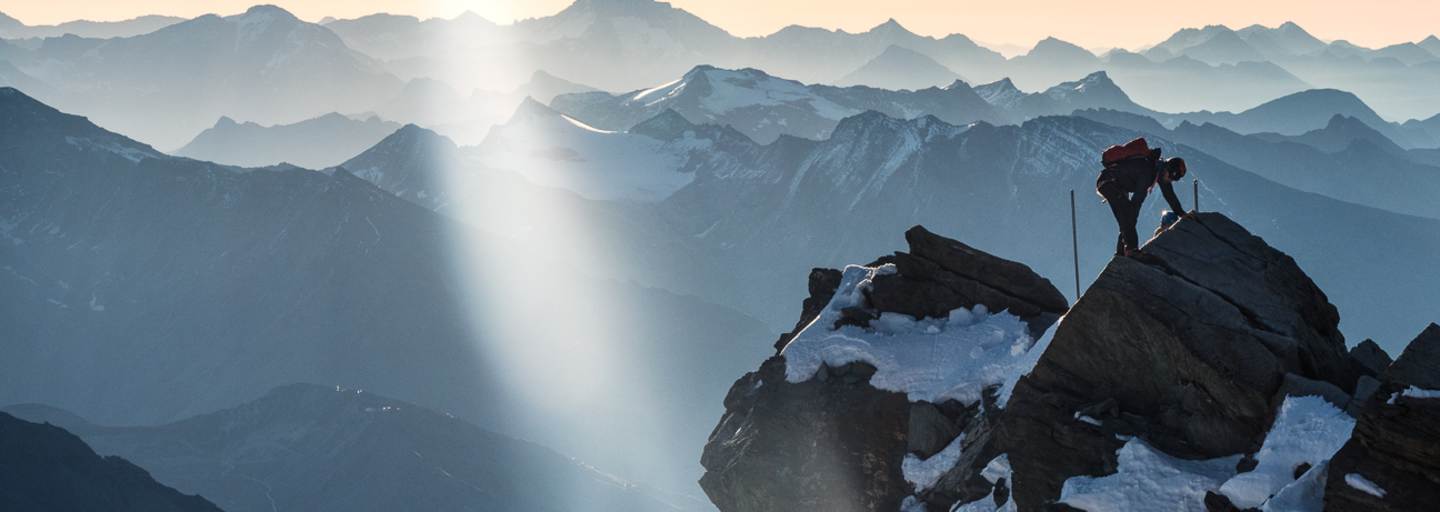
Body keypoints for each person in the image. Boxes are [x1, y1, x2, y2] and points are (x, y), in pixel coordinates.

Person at [1095, 138, 1187, 256]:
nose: (1171, 181)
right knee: (1128, 215)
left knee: (1127, 217)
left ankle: (1123, 252)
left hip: (1116, 184)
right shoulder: (1147, 171)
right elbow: (1137, 202)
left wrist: (1181, 213)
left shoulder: (1158, 170)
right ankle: (1130, 250)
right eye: (1173, 178)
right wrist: (1132, 220)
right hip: (1109, 183)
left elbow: (1169, 194)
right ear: (1169, 170)